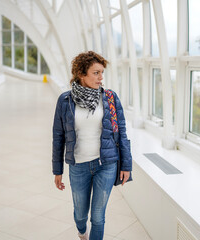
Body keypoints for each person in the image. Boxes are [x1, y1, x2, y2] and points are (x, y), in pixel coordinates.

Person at [52, 51, 132, 240]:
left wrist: (127, 165)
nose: (101, 78)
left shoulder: (110, 98)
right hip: (78, 165)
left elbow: (122, 132)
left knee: (98, 216)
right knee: (80, 215)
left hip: (106, 165)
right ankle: (81, 232)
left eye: (102, 73)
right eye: (96, 73)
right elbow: (58, 137)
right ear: (81, 74)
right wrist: (57, 170)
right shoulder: (65, 101)